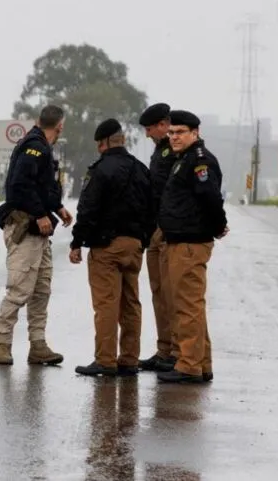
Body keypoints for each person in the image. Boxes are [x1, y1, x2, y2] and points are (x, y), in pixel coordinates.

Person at [68, 118, 153, 377]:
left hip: (106, 246)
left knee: (106, 303)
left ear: (103, 143)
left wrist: (77, 242)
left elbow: (88, 209)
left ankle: (105, 359)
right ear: (122, 140)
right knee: (131, 303)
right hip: (134, 245)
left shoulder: (100, 170)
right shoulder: (141, 169)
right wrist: (143, 240)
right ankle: (129, 359)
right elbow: (152, 209)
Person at [0, 104, 73, 366]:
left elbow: (41, 187)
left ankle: (38, 345)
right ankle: (2, 345)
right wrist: (40, 213)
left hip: (40, 232)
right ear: (60, 125)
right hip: (26, 228)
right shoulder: (34, 146)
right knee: (19, 289)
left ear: (40, 120)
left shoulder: (43, 147)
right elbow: (20, 185)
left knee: (41, 291)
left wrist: (57, 208)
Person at [157, 110, 228, 383]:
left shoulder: (199, 161)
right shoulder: (183, 159)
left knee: (187, 307)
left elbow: (210, 197)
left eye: (180, 133)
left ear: (195, 133)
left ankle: (188, 365)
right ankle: (201, 362)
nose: (174, 137)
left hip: (190, 242)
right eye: (171, 133)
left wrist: (218, 225)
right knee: (191, 306)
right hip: (180, 239)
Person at [137, 103, 180, 373]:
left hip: (168, 228)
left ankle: (177, 352)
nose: (148, 134)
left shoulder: (174, 150)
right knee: (158, 293)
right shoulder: (159, 151)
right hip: (155, 228)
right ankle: (164, 349)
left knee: (172, 294)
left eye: (150, 128)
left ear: (164, 125)